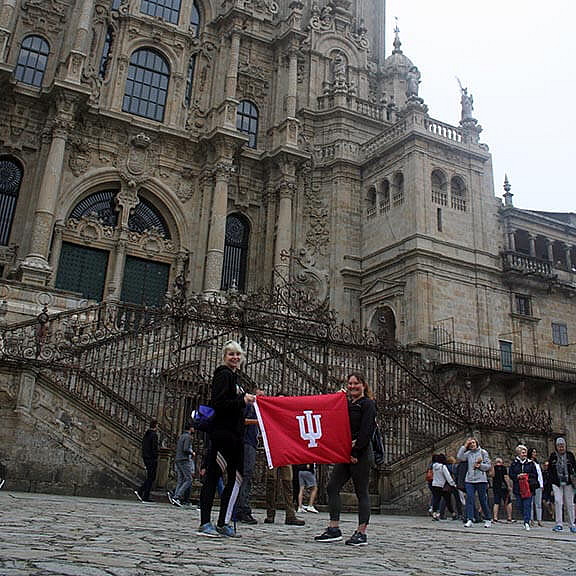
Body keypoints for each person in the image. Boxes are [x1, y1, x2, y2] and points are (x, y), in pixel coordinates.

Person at [197, 340, 255, 538]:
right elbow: (219, 403)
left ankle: (224, 521)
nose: (235, 357)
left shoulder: (234, 377)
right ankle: (206, 521)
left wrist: (246, 398)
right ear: (225, 356)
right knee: (214, 477)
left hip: (235, 436)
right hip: (223, 435)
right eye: (231, 354)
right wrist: (242, 400)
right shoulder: (223, 374)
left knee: (235, 479)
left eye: (238, 354)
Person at [315, 372, 376, 547]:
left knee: (361, 491)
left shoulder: (368, 404)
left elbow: (366, 431)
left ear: (363, 385)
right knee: (332, 486)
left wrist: (355, 452)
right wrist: (338, 398)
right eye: (350, 384)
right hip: (345, 452)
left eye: (356, 383)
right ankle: (334, 528)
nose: (352, 386)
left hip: (360, 454)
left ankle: (361, 532)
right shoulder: (348, 404)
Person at [235, 388, 263, 524]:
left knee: (247, 476)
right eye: (259, 395)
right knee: (245, 475)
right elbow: (241, 420)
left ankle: (240, 507)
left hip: (252, 442)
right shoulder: (249, 406)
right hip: (246, 443)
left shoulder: (259, 409)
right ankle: (242, 509)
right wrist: (258, 422)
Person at [457, 436, 492, 528]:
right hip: (469, 479)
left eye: (473, 443)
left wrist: (480, 466)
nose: (472, 444)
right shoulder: (468, 453)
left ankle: (488, 518)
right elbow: (460, 457)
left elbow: (488, 466)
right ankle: (470, 519)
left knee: (482, 499)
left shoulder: (483, 452)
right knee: (469, 498)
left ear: (477, 443)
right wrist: (464, 446)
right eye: (470, 443)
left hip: (481, 479)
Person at [548, 437, 576, 533]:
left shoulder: (570, 455)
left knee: (570, 503)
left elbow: (574, 468)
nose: (561, 448)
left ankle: (572, 524)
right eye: (559, 446)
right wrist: (551, 484)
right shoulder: (553, 456)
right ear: (556, 447)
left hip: (568, 482)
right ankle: (559, 523)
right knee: (558, 501)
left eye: (562, 446)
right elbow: (550, 471)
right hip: (557, 482)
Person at [509, 444, 538, 531]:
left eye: (525, 452)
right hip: (518, 487)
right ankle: (525, 517)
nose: (524, 454)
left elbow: (535, 475)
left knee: (527, 505)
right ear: (518, 453)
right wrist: (517, 476)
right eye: (522, 452)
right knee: (519, 505)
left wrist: (527, 476)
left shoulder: (530, 463)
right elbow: (511, 474)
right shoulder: (514, 463)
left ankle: (526, 521)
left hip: (528, 487)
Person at [168, 421, 196, 507]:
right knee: (188, 479)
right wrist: (192, 452)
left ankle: (175, 497)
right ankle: (177, 496)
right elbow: (186, 449)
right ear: (190, 428)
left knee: (181, 479)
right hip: (184, 459)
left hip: (178, 459)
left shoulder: (182, 436)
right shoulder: (188, 437)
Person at [135, 418, 159, 503]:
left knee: (150, 477)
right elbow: (154, 448)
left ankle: (143, 492)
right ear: (156, 426)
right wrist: (155, 457)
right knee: (151, 477)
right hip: (151, 458)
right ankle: (143, 492)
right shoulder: (154, 435)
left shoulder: (147, 434)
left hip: (146, 457)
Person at [430, 454, 456, 521]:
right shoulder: (443, 467)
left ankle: (435, 513)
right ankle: (453, 513)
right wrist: (453, 484)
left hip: (435, 484)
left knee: (436, 500)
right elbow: (448, 477)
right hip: (442, 486)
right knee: (447, 500)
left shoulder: (433, 466)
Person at [491, 457, 513, 523]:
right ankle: (509, 517)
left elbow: (492, 475)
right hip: (503, 487)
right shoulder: (503, 468)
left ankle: (495, 517)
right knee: (508, 502)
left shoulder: (494, 468)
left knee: (496, 502)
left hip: (496, 487)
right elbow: (505, 477)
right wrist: (509, 486)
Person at [527, 447, 544, 527]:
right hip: (531, 484)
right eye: (533, 452)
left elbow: (540, 474)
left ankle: (539, 519)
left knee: (538, 503)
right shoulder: (528, 462)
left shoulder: (537, 463)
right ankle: (531, 519)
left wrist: (542, 484)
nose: (535, 453)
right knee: (530, 502)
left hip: (538, 484)